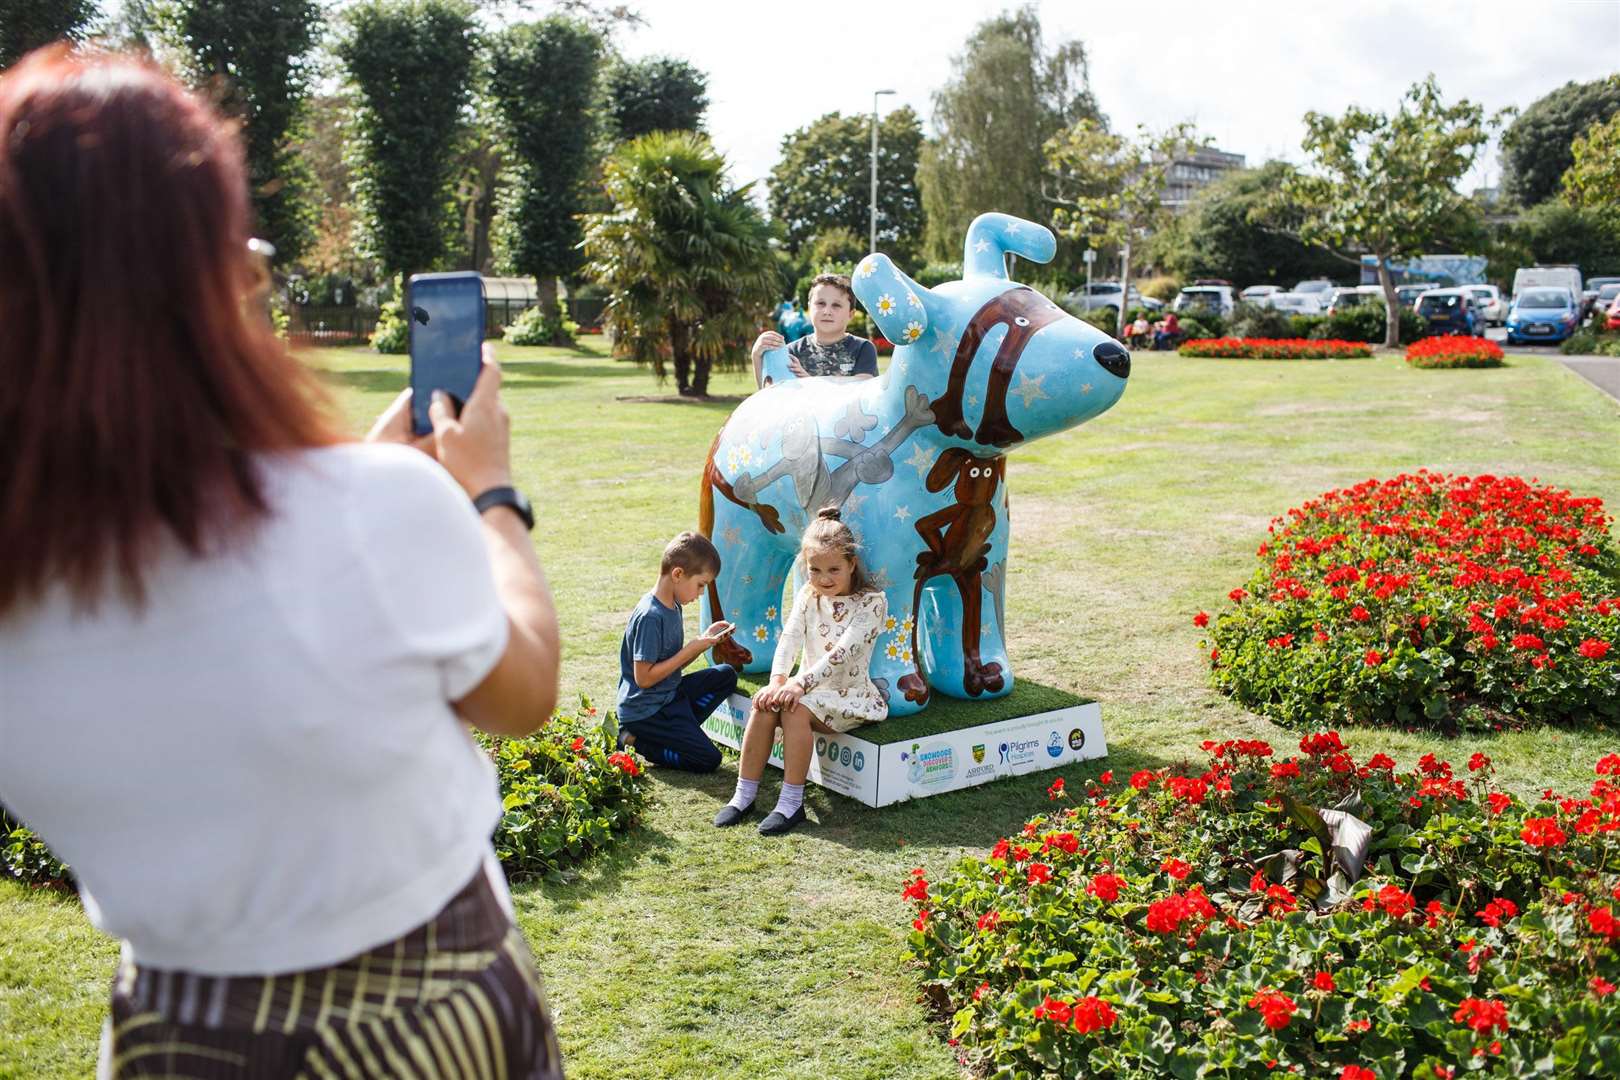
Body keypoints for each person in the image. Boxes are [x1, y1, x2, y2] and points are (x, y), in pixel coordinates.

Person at [0, 49, 565, 1078]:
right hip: (428, 1019)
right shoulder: (372, 514)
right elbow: (523, 691)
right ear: (208, 283)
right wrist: (488, 492)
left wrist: (352, 484)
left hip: (171, 1032)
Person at [714, 508, 887, 835]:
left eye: (834, 569)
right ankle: (743, 795)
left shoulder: (872, 602)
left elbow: (842, 652)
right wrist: (777, 680)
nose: (824, 579)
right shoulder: (809, 595)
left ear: (852, 564)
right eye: (815, 570)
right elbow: (791, 636)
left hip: (847, 695)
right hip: (804, 687)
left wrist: (797, 684)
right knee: (765, 704)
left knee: (794, 709)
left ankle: (791, 804)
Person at [615, 532, 739, 772]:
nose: (701, 593)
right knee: (708, 759)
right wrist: (690, 649)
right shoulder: (651, 616)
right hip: (646, 711)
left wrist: (704, 640)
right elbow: (644, 678)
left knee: (726, 675)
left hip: (669, 694)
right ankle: (633, 739)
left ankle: (682, 730)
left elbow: (671, 665)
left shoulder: (673, 606)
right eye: (700, 585)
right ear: (678, 574)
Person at [750, 273, 878, 387]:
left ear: (851, 314)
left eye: (836, 305)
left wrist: (809, 381)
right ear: (809, 307)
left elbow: (863, 384)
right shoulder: (792, 352)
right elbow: (771, 396)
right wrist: (756, 356)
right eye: (821, 303)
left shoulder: (862, 348)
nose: (827, 311)